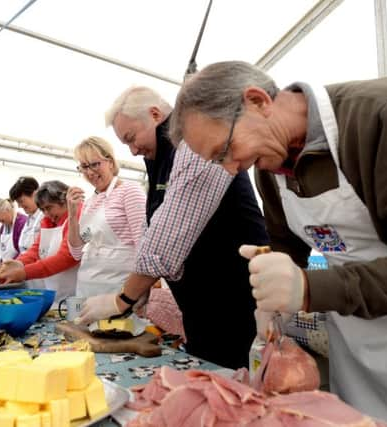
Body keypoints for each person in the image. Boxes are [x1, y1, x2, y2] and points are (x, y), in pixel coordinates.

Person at [168, 60, 387, 427]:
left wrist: (308, 287)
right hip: (357, 351)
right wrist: (272, 292)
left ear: (257, 101)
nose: (230, 169)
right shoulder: (269, 171)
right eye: (216, 161)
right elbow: (286, 246)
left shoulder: (383, 114)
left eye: (224, 150)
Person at [77, 86, 269, 369]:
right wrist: (141, 286)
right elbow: (152, 227)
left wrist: (123, 298)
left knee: (238, 383)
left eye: (131, 138)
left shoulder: (193, 143)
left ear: (155, 114)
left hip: (232, 296)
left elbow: (167, 236)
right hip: (202, 303)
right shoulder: (159, 158)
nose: (132, 150)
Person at [66, 136, 146, 297]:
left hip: (117, 290)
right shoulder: (90, 201)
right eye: (84, 167)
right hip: (86, 290)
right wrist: (72, 215)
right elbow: (77, 253)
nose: (89, 172)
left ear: (110, 161)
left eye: (95, 164)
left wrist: (135, 295)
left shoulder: (130, 191)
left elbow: (143, 246)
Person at [0, 181, 79, 302]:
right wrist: (18, 263)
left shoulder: (76, 217)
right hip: (54, 290)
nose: (46, 213)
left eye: (49, 208)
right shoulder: (48, 220)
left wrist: (24, 272)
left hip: (73, 292)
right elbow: (36, 249)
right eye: (43, 210)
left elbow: (67, 257)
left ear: (64, 201)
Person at [9, 176, 45, 289]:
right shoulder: (29, 219)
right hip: (28, 278)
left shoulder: (44, 217)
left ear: (35, 194)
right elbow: (24, 250)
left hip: (41, 280)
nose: (19, 206)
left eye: (21, 201)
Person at [0, 198, 28, 271]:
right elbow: (4, 254)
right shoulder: (3, 228)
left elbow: (24, 252)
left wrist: (3, 267)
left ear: (6, 211)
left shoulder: (22, 223)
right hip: (9, 269)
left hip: (21, 269)